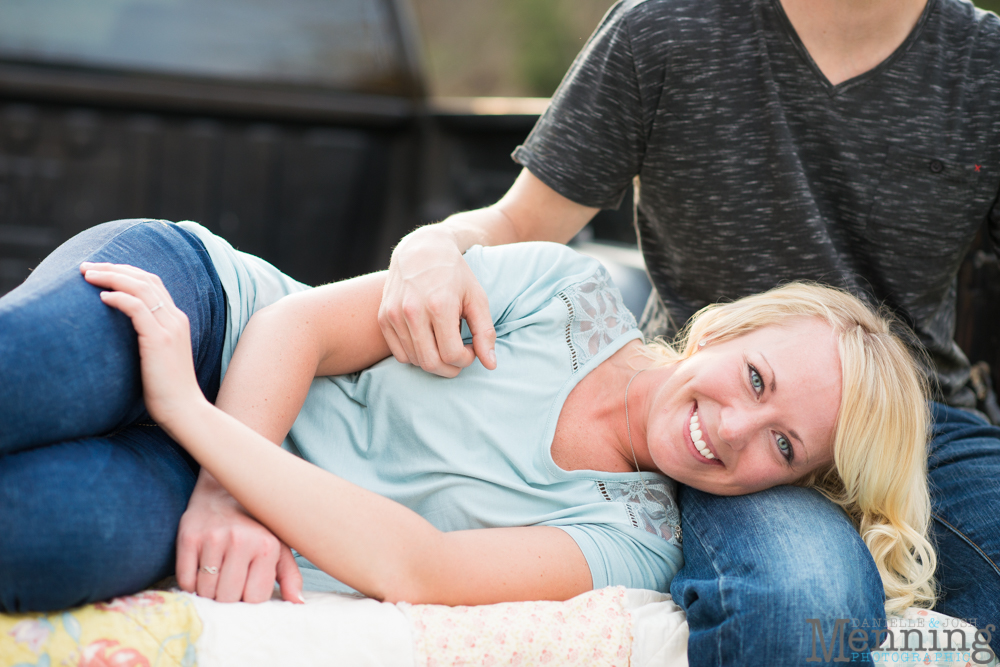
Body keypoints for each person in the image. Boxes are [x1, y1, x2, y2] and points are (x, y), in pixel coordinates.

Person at [373, 0, 1000, 662]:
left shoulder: (987, 65)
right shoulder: (668, 26)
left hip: (922, 423)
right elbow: (517, 223)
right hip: (725, 418)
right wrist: (429, 245)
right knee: (801, 601)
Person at [1, 219, 931, 630]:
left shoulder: (631, 539)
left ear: (791, 483)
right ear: (722, 326)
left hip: (198, 463)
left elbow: (418, 568)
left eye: (782, 444)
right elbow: (302, 325)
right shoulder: (568, 291)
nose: (735, 427)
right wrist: (222, 474)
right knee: (23, 373)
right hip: (209, 315)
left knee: (40, 538)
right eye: (756, 376)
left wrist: (190, 431)